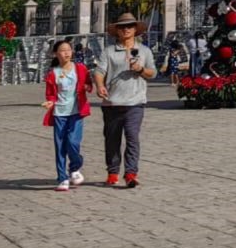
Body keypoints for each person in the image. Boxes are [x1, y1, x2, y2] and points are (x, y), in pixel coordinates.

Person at [93, 12, 156, 188]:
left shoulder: (144, 51)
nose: (126, 29)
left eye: (130, 26)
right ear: (117, 31)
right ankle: (112, 172)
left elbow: (152, 73)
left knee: (132, 137)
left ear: (136, 29)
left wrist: (140, 69)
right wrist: (100, 86)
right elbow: (99, 72)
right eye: (122, 27)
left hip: (135, 103)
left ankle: (130, 173)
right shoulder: (109, 51)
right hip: (112, 103)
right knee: (112, 139)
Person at [40, 39, 93, 191]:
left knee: (73, 143)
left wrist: (86, 87)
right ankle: (63, 178)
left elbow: (89, 85)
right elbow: (50, 94)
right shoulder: (52, 74)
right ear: (56, 54)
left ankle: (75, 167)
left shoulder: (80, 68)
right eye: (62, 50)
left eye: (68, 50)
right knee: (60, 146)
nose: (66, 53)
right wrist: (49, 102)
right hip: (59, 114)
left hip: (76, 112)